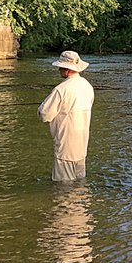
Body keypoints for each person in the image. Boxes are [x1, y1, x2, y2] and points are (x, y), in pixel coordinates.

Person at [38, 51, 95, 182]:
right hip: (82, 142)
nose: (59, 69)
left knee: (63, 186)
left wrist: (41, 107)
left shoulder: (61, 89)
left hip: (65, 144)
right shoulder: (87, 86)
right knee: (80, 182)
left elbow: (44, 115)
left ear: (67, 70)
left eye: (60, 67)